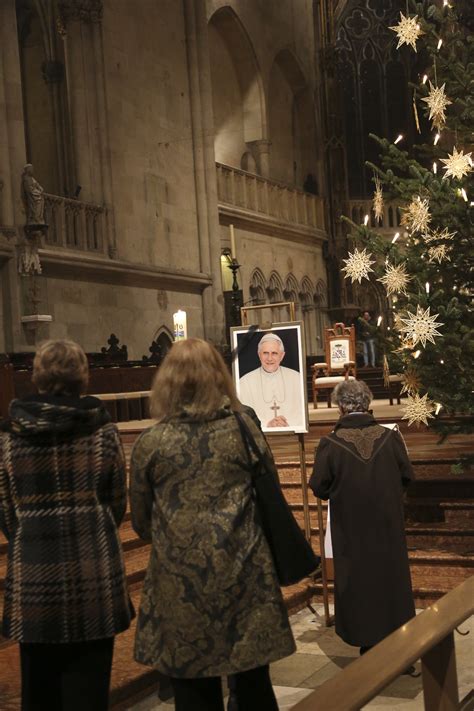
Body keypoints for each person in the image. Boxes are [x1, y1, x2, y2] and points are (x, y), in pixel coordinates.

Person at [130, 338, 295, 711]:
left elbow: (141, 522)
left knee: (194, 694)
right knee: (253, 687)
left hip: (181, 586)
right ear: (219, 378)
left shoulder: (151, 443)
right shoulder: (243, 430)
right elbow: (269, 492)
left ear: (167, 382)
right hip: (245, 575)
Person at [0, 339, 133, 711]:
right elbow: (116, 503)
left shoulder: (9, 438)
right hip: (93, 575)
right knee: (88, 694)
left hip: (34, 576)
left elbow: (6, 513)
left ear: (37, 377)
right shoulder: (102, 432)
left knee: (39, 694)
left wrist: (31, 535)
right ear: (83, 378)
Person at [309, 380, 415, 659]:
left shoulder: (330, 443)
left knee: (361, 585)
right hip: (388, 529)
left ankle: (369, 649)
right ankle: (399, 649)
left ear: (341, 406)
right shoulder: (390, 437)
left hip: (352, 532)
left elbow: (318, 486)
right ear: (367, 403)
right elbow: (408, 476)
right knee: (389, 582)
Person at [238, 332, 303, 429]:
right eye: (265, 353)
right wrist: (266, 425)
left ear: (282, 356)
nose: (269, 358)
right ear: (259, 354)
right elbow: (244, 415)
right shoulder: (245, 382)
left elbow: (301, 413)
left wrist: (286, 424)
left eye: (274, 353)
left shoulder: (297, 378)